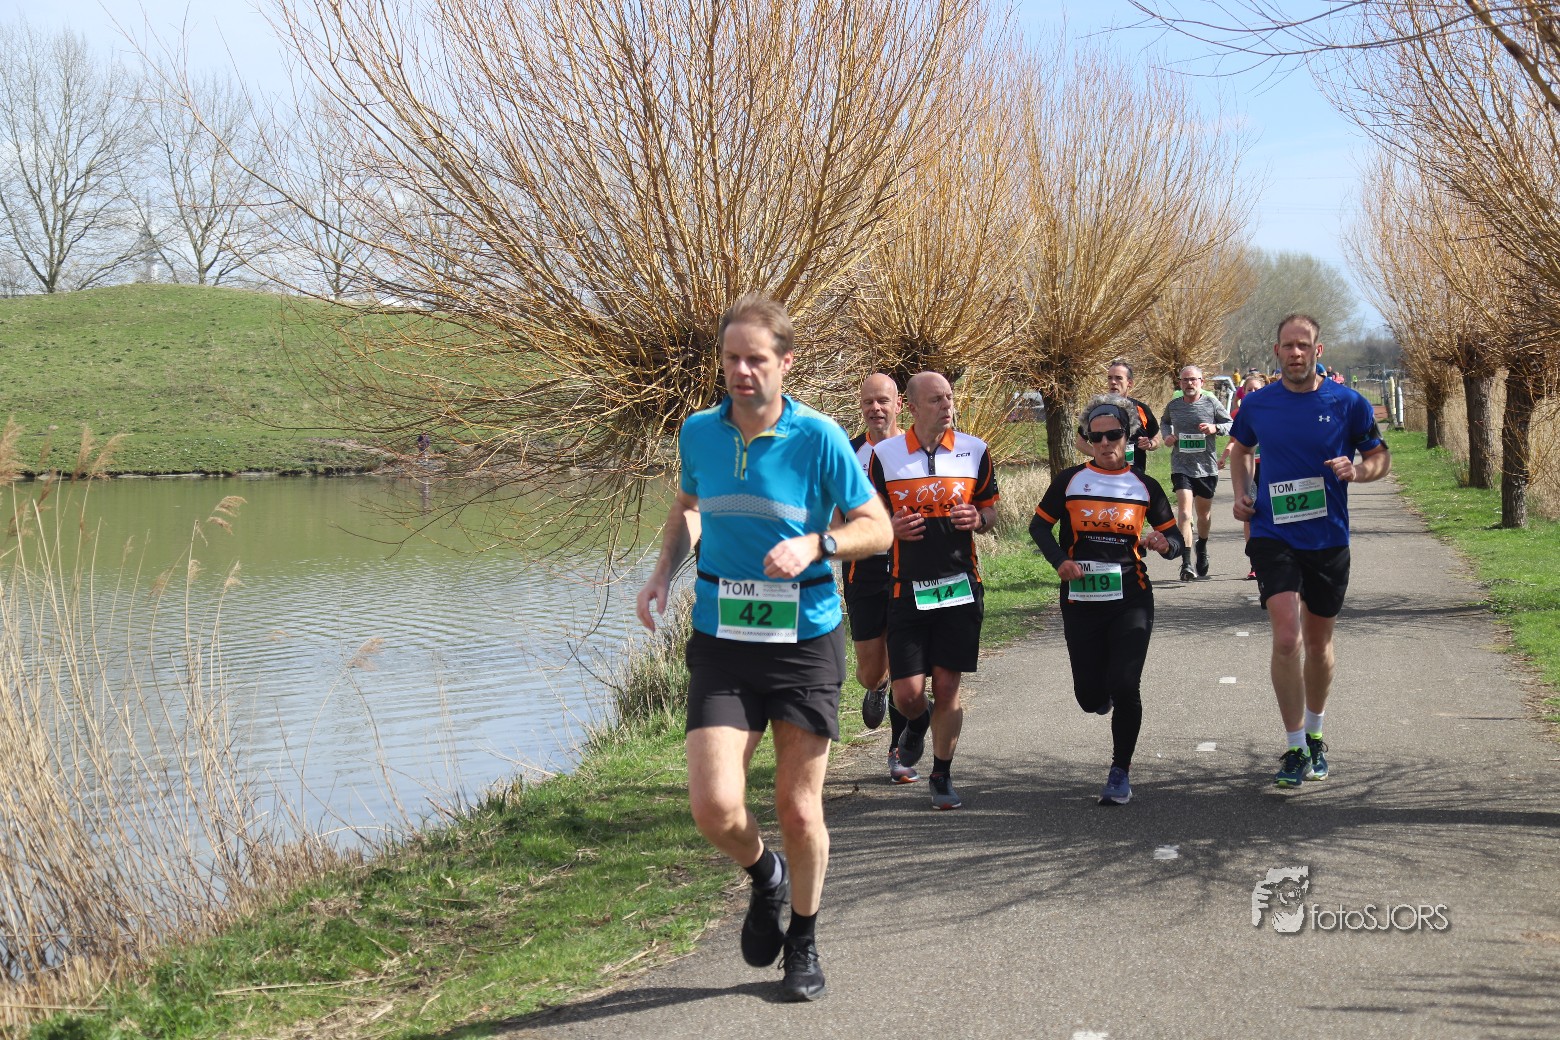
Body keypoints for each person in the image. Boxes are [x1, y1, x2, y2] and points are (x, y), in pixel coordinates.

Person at [636, 293, 892, 1001]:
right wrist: (662, 572)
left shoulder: (820, 438)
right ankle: (765, 874)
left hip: (804, 638)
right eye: (731, 358)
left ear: (785, 363)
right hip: (723, 635)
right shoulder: (698, 433)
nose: (741, 371)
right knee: (714, 806)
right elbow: (689, 507)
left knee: (799, 808)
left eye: (755, 359)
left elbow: (877, 527)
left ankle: (803, 940)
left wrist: (819, 543)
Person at [1228, 313, 1390, 789]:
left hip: (1327, 537)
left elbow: (1379, 456)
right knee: (1286, 638)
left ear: (1317, 351)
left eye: (1303, 345)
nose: (1295, 353)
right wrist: (1242, 493)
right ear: (1276, 352)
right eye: (1287, 345)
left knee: (1318, 644)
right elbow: (1240, 449)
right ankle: (1295, 745)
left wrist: (1358, 472)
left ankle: (1316, 735)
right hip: (1272, 533)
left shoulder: (1347, 402)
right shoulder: (1258, 403)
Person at [1031, 394, 1182, 805]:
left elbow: (1175, 539)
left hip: (1131, 597)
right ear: (1087, 439)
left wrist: (1163, 543)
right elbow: (1039, 527)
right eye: (1095, 437)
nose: (1104, 443)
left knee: (1125, 683)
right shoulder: (1069, 481)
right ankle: (1102, 697)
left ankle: (1120, 771)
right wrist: (1060, 561)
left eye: (1113, 435)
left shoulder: (1145, 486)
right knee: (1089, 697)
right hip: (1081, 599)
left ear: (1127, 436)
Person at [868, 371, 999, 811]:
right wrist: (890, 527)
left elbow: (990, 510)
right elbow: (869, 518)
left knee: (946, 687)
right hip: (907, 589)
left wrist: (978, 520)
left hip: (960, 587)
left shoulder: (974, 450)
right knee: (907, 695)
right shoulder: (884, 456)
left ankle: (941, 774)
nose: (947, 406)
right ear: (912, 407)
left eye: (949, 397)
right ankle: (916, 723)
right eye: (936, 400)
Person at [843, 372, 919, 783]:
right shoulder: (847, 452)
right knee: (871, 671)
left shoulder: (914, 450)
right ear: (861, 406)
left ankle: (898, 749)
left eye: (883, 401)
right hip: (863, 568)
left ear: (899, 405)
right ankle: (878, 683)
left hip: (909, 566)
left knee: (905, 659)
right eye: (868, 401)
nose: (876, 408)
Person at [1159, 365, 1234, 581]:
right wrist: (1167, 437)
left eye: (1193, 379)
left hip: (1206, 467)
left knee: (1203, 515)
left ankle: (1202, 546)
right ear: (1180, 383)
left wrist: (1215, 428)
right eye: (1185, 380)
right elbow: (1164, 422)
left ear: (1201, 382)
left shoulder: (1211, 403)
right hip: (1181, 466)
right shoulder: (1174, 406)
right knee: (1184, 513)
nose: (1189, 383)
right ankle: (1186, 563)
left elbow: (1230, 424)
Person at [1221, 373, 1269, 579]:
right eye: (1250, 389)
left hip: (1270, 470)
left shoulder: (1275, 411)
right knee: (1250, 515)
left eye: (1258, 389)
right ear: (1243, 393)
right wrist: (1224, 456)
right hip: (1250, 470)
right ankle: (1255, 562)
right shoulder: (1241, 414)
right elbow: (1234, 442)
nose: (1254, 392)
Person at [1076, 360, 1161, 476]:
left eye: (1118, 378)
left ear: (1129, 383)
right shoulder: (1098, 409)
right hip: (1104, 475)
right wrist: (1100, 454)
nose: (1113, 382)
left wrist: (1150, 444)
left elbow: (1155, 437)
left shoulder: (1141, 409)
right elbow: (1080, 442)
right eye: (1110, 378)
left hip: (1134, 476)